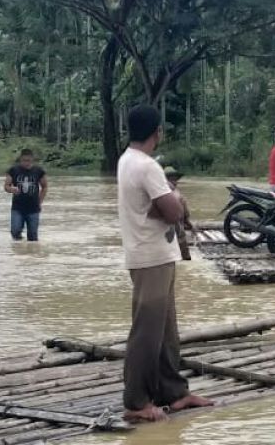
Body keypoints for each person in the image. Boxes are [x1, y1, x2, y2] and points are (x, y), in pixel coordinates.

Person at [117, 105, 212, 423]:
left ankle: (175, 392)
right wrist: (175, 197)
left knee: (166, 330)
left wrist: (170, 200)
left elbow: (157, 208)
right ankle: (136, 402)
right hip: (151, 257)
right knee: (147, 331)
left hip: (151, 254)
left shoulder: (126, 159)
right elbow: (172, 213)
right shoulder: (147, 167)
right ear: (157, 132)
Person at [4, 149, 48, 242]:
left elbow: (44, 187)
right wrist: (12, 189)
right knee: (15, 232)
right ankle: (19, 249)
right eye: (24, 160)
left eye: (29, 160)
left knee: (32, 236)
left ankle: (30, 253)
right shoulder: (13, 170)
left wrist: (40, 202)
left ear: (32, 160)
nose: (26, 163)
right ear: (20, 159)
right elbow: (6, 186)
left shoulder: (38, 171)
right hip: (17, 207)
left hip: (33, 208)